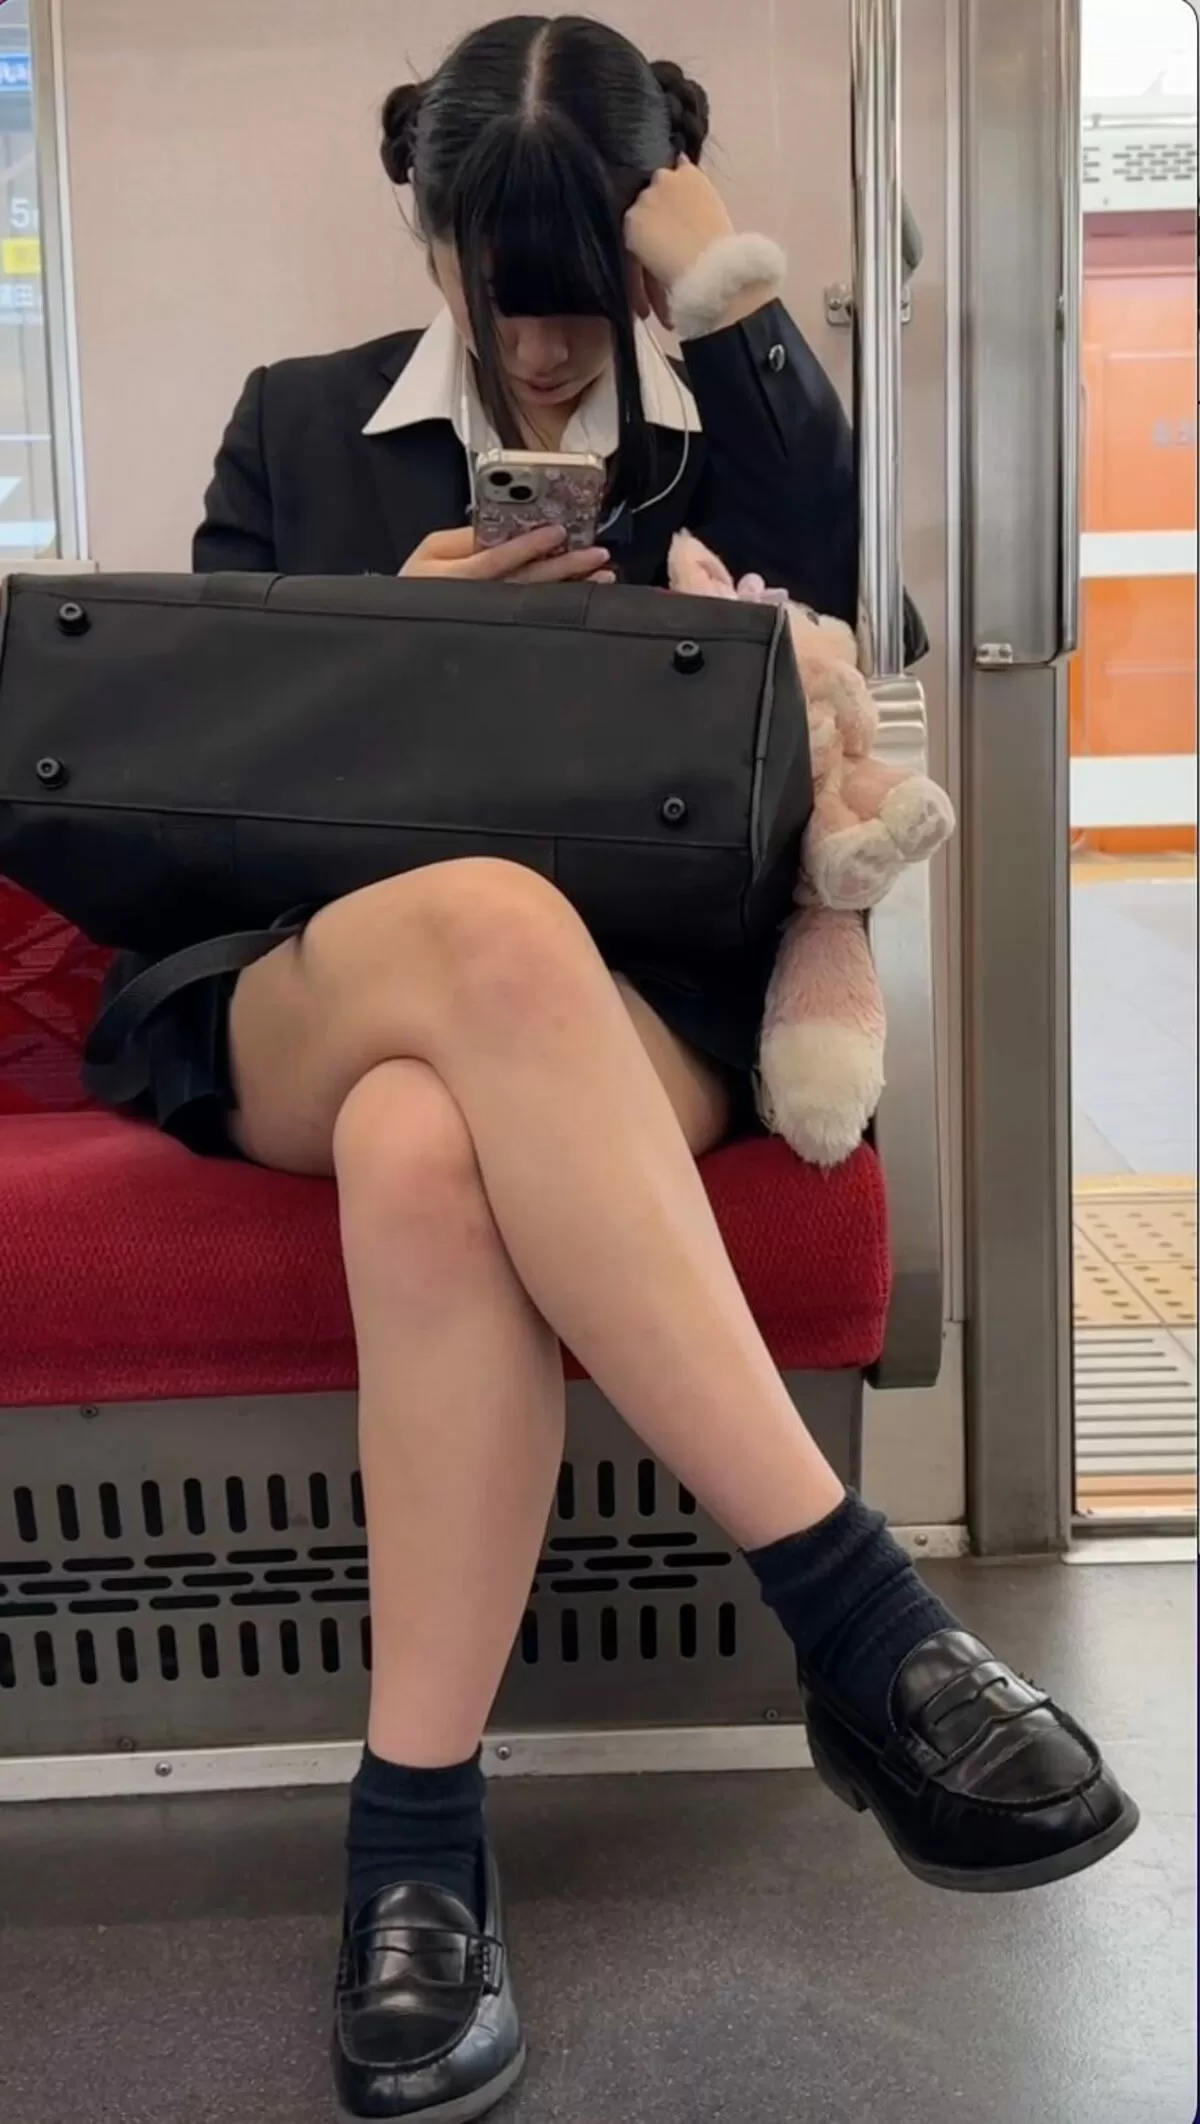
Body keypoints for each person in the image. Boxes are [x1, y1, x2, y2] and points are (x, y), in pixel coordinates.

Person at [88, 16, 1137, 2122]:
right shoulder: (299, 423)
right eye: (510, 293)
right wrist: (379, 637)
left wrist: (724, 296)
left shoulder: (721, 434)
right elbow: (188, 823)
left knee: (428, 1145)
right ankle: (860, 1619)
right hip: (303, 985)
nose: (551, 348)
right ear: (437, 244)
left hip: (639, 1014)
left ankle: (413, 1850)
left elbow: (869, 629)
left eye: (590, 292)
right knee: (478, 933)